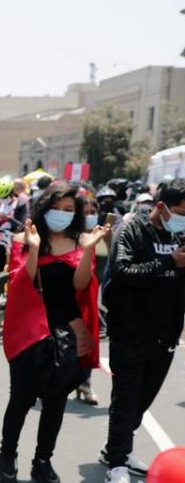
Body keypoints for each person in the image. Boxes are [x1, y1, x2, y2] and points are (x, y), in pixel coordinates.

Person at [0, 181, 105, 483]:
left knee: (56, 401)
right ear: (44, 208)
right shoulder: (25, 237)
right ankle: (7, 456)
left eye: (69, 209)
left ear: (77, 213)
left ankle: (42, 461)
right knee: (20, 399)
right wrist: (32, 248)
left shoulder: (84, 239)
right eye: (56, 208)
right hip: (29, 331)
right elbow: (23, 284)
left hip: (68, 333)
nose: (62, 213)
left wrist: (88, 251)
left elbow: (81, 286)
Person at [102, 178, 185, 483]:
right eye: (180, 211)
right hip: (131, 333)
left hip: (166, 334)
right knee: (125, 400)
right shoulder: (132, 229)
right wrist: (168, 261)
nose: (183, 219)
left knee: (142, 401)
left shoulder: (180, 235)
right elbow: (123, 272)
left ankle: (115, 449)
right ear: (161, 206)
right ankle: (116, 464)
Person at [74, 193, 103, 406]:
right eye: (86, 213)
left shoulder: (102, 236)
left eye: (93, 212)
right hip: (71, 294)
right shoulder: (69, 237)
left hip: (91, 295)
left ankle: (85, 382)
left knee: (89, 336)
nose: (90, 216)